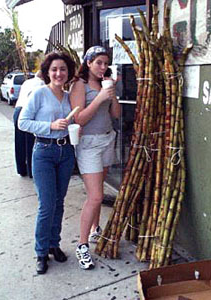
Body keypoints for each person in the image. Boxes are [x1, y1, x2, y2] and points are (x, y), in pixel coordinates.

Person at [18, 52, 76, 275]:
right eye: (54, 69)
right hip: (43, 151)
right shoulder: (39, 93)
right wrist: (50, 126)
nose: (59, 73)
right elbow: (23, 122)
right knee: (46, 204)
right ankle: (41, 252)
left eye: (62, 69)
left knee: (59, 202)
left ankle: (54, 244)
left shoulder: (70, 96)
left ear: (68, 72)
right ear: (47, 72)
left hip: (66, 152)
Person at [70, 46, 121, 270]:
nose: (103, 67)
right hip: (89, 144)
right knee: (96, 196)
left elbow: (116, 114)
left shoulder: (104, 83)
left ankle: (95, 230)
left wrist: (112, 93)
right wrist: (99, 97)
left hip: (107, 139)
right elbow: (78, 119)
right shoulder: (79, 85)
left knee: (99, 189)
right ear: (88, 63)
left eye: (105, 63)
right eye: (98, 62)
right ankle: (81, 246)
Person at [13, 70, 44, 178]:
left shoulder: (27, 82)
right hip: (27, 112)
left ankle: (21, 169)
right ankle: (31, 171)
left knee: (19, 142)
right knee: (30, 142)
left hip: (17, 110)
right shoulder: (41, 84)